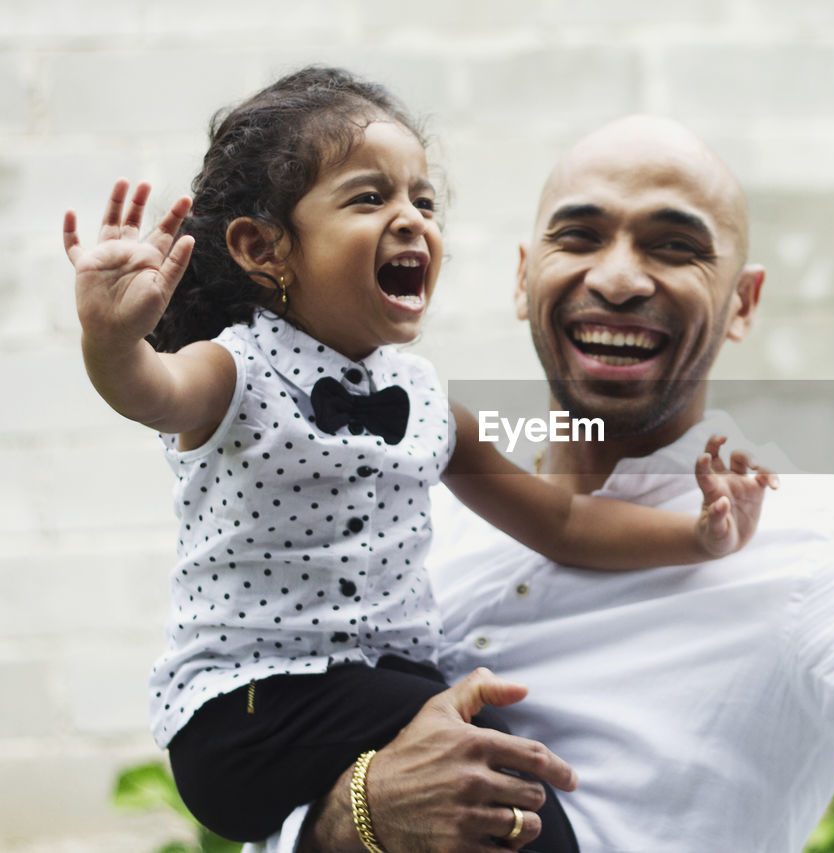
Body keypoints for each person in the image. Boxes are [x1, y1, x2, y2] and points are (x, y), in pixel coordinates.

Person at [260, 115, 834, 853]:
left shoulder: (819, 545)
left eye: (674, 246)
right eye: (580, 235)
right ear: (524, 275)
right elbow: (273, 792)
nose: (616, 277)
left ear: (743, 304)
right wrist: (360, 814)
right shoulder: (409, 510)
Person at [61, 71, 776, 847]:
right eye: (370, 199)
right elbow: (151, 392)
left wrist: (699, 538)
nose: (410, 220)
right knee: (508, 784)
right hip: (246, 709)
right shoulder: (234, 372)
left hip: (372, 692)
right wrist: (112, 340)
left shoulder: (427, 400)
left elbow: (562, 521)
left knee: (476, 781)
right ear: (264, 248)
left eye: (423, 201)